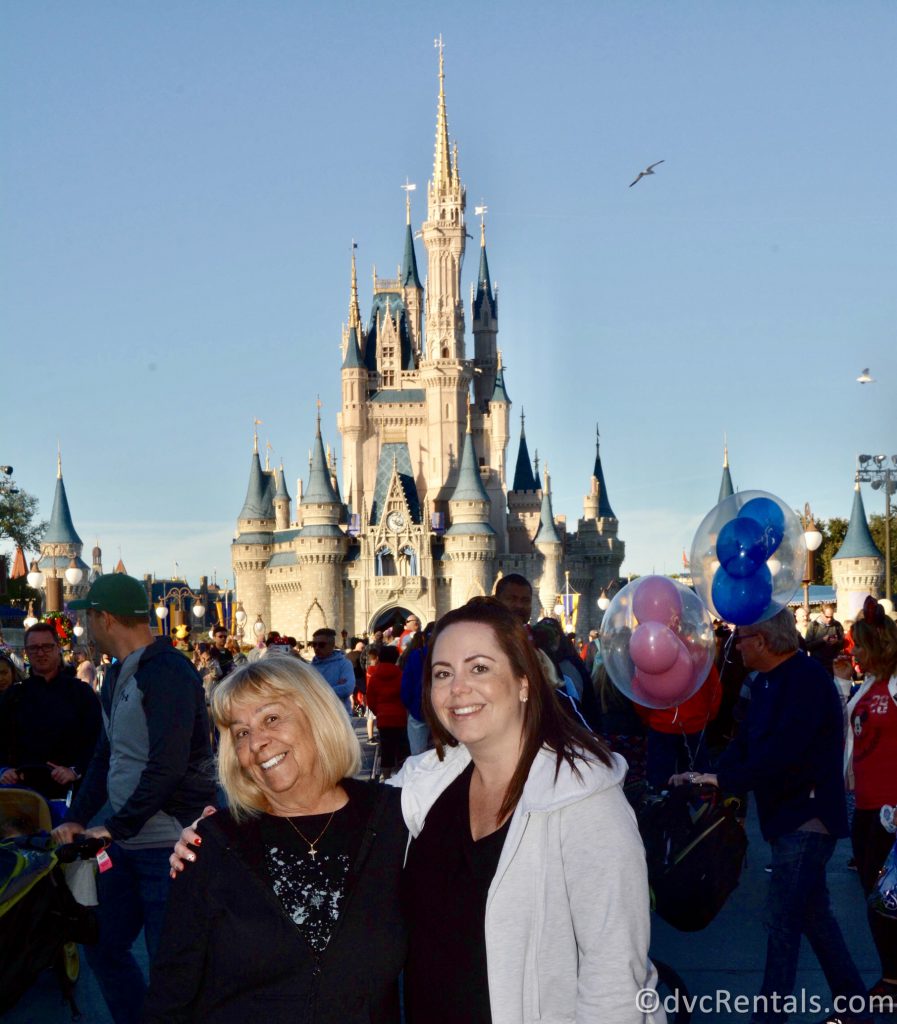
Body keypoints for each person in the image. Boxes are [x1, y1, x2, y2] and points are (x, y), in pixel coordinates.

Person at [398, 597, 660, 1023]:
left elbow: (615, 977)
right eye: (442, 673)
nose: (457, 687)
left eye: (479, 668)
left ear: (524, 681)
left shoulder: (583, 798)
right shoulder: (426, 785)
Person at [144, 656, 407, 1023]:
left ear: (316, 715)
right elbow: (171, 990)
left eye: (271, 718)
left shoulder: (394, 820)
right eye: (241, 732)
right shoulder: (213, 843)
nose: (257, 743)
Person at [672, 609, 870, 1024]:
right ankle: (856, 1009)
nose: (734, 645)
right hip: (788, 815)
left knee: (783, 924)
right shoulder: (764, 682)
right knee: (815, 919)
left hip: (807, 816)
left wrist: (723, 779)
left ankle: (768, 1018)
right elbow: (744, 743)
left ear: (761, 641)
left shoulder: (805, 680)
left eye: (740, 638)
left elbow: (782, 755)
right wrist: (713, 774)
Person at [52, 574, 216, 1024]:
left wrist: (114, 827)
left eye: (87, 616)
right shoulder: (119, 673)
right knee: (102, 945)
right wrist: (78, 815)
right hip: (128, 843)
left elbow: (169, 766)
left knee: (173, 969)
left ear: (105, 617)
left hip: (171, 846)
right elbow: (107, 756)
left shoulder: (167, 671)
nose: (84, 625)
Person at [838, 599, 897, 1008]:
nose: (852, 651)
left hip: (892, 812)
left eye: (859, 645)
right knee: (875, 900)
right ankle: (891, 974)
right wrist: (843, 686)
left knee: (889, 902)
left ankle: (893, 981)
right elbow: (850, 731)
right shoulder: (867, 685)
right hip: (866, 810)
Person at [0, 621, 101, 800]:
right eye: (34, 648)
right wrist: (4, 770)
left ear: (57, 648)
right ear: (26, 652)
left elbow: (97, 741)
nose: (40, 653)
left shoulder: (81, 694)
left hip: (69, 793)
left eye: (46, 647)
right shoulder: (13, 696)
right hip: (21, 793)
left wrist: (75, 770)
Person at [366, 644, 409, 779]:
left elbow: (370, 698)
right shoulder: (401, 675)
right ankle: (401, 776)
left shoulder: (374, 676)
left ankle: (387, 776)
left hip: (383, 718)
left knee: (386, 750)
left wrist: (378, 711)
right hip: (400, 717)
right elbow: (406, 695)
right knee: (401, 748)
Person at [310, 627, 355, 713]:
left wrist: (316, 691)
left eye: (321, 645)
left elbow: (347, 689)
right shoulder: (310, 667)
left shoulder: (344, 664)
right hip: (317, 714)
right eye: (314, 644)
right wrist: (334, 688)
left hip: (339, 715)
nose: (317, 648)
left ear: (332, 645)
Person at [805, 603, 845, 676]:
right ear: (821, 614)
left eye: (831, 616)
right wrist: (822, 640)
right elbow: (808, 646)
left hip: (834, 664)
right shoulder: (813, 625)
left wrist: (836, 642)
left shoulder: (837, 625)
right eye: (827, 617)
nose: (829, 619)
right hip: (818, 665)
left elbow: (843, 643)